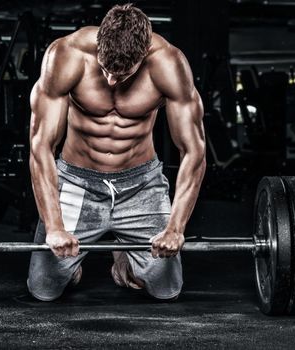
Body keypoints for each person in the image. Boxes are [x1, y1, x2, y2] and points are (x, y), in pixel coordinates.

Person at [27, 3, 205, 301]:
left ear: (144, 54)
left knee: (166, 289)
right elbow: (41, 147)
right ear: (100, 43)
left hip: (141, 185)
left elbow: (193, 152)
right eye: (106, 69)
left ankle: (125, 258)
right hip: (77, 182)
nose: (111, 80)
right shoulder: (66, 55)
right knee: (44, 288)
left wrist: (176, 228)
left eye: (122, 74)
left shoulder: (169, 64)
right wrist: (54, 227)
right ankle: (73, 267)